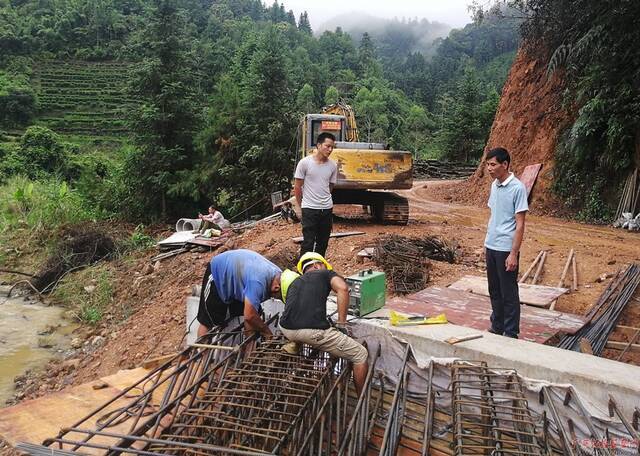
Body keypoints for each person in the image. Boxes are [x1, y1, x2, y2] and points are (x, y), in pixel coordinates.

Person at [279, 252, 369, 394]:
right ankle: (362, 402)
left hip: (285, 328)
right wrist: (341, 324)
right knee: (360, 354)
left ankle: (296, 343)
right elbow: (343, 289)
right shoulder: (325, 273)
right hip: (311, 332)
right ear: (316, 265)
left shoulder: (295, 282)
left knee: (310, 336)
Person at [484, 147, 528, 339]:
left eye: (493, 164)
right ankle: (497, 326)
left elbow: (520, 225)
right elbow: (494, 215)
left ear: (505, 165)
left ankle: (510, 333)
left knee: (508, 292)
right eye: (487, 165)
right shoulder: (495, 185)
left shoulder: (517, 188)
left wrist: (513, 253)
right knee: (494, 289)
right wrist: (486, 243)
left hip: (505, 248)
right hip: (491, 245)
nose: (489, 168)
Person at [197, 249, 282, 338]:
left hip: (240, 278)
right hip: (218, 273)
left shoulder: (277, 273)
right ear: (276, 287)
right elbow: (250, 316)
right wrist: (266, 331)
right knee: (207, 321)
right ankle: (202, 351)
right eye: (275, 296)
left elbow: (250, 316)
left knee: (254, 313)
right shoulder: (257, 282)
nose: (272, 297)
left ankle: (248, 348)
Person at [294, 132, 338, 258]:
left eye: (332, 147)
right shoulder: (305, 163)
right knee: (308, 242)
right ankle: (304, 271)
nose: (330, 150)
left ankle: (318, 271)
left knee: (323, 242)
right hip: (309, 208)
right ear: (318, 145)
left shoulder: (332, 165)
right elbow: (297, 187)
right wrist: (300, 206)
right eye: (327, 146)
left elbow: (330, 186)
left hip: (326, 209)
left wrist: (324, 200)